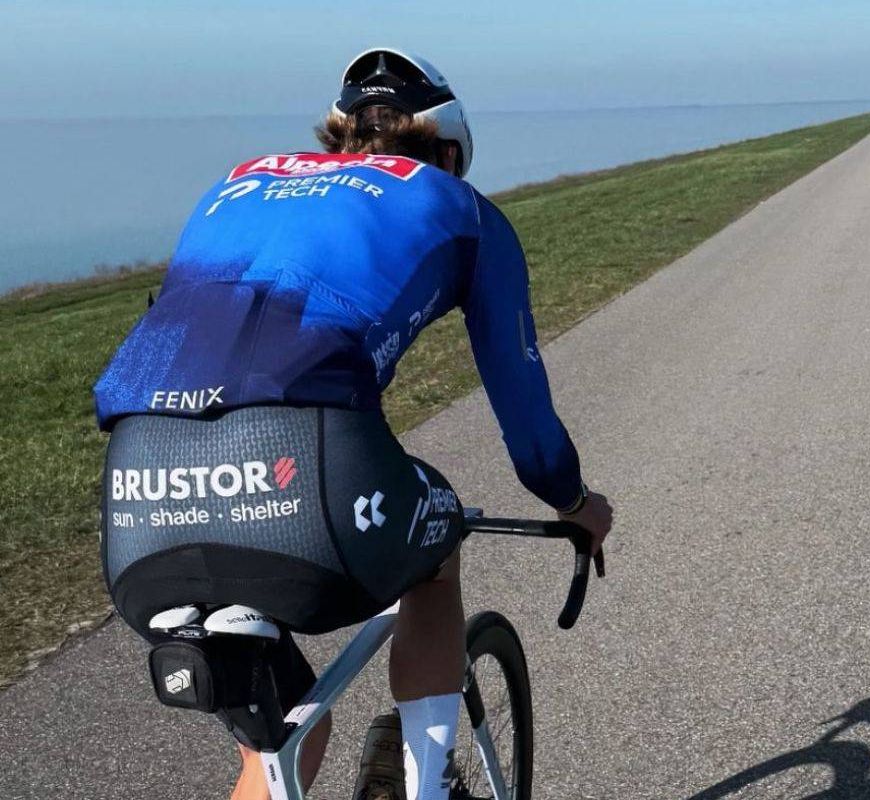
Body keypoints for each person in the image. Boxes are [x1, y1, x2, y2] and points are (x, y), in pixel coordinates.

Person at [93, 48, 613, 800]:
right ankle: (424, 785)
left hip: (138, 508)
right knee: (435, 548)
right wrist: (575, 505)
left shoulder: (235, 182)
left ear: (336, 138)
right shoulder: (460, 209)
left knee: (285, 746)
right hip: (299, 475)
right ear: (446, 151)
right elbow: (530, 432)